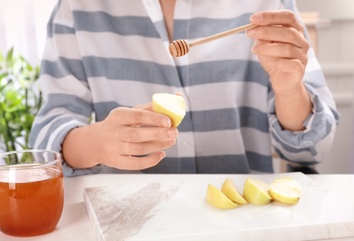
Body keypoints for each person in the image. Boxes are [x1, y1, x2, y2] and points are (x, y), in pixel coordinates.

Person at [29, 0, 340, 177]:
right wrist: (98, 142)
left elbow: (313, 148)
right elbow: (47, 136)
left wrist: (289, 90)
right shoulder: (77, 7)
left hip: (243, 223)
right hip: (129, 227)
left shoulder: (265, 4)